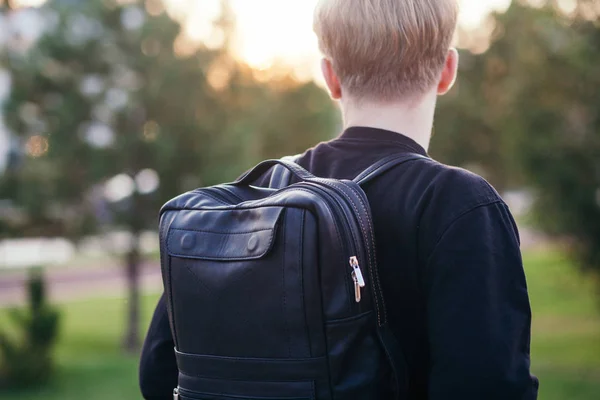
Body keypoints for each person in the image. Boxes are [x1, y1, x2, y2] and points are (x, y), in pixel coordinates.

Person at [139, 0, 539, 398]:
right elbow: (491, 385)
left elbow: (159, 374)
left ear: (330, 76)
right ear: (448, 71)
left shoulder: (261, 196)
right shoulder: (456, 205)